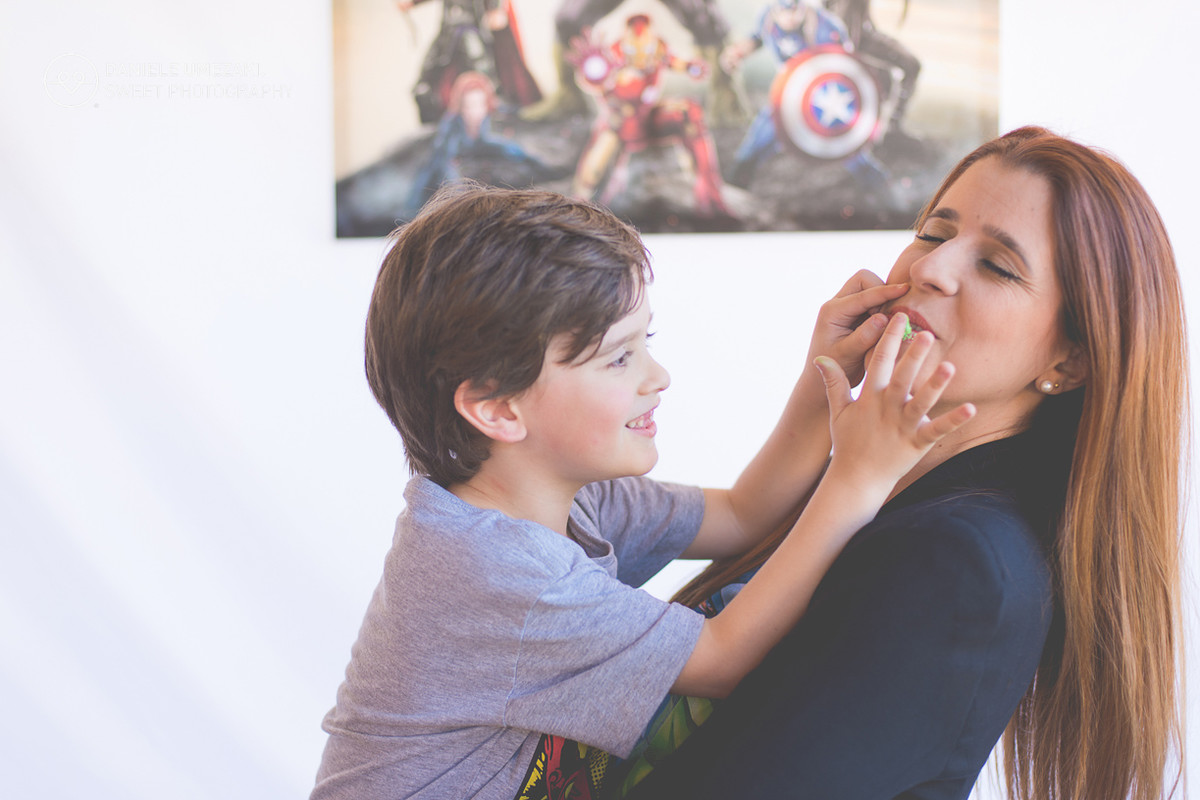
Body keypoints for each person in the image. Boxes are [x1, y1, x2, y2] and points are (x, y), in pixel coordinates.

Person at [310, 182, 975, 800]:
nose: (657, 377)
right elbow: (720, 661)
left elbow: (746, 514)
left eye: (645, 342)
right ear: (497, 407)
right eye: (619, 357)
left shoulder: (574, 500)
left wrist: (825, 371)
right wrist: (859, 476)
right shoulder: (496, 569)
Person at [618, 126, 1186, 800]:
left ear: (1069, 361)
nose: (930, 270)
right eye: (935, 234)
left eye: (998, 265)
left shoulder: (960, 562)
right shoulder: (873, 488)